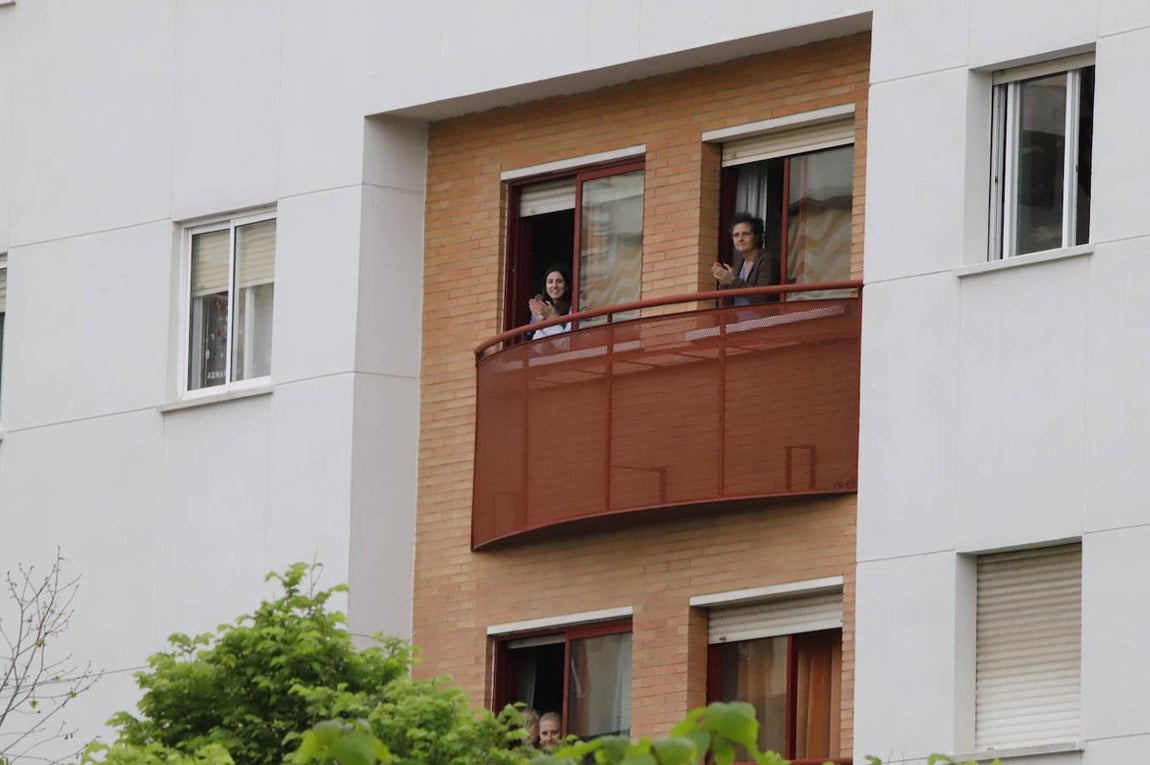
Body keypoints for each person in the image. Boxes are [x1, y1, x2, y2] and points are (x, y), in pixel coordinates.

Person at [709, 212, 778, 305]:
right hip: (740, 315)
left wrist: (732, 280)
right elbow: (727, 306)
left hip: (763, 315)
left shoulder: (767, 259)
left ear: (757, 237)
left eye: (745, 234)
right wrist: (724, 283)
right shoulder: (739, 265)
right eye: (736, 235)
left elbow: (762, 297)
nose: (740, 239)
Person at [528, 264, 572, 340]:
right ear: (545, 287)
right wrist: (540, 320)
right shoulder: (543, 308)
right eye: (550, 282)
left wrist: (551, 318)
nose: (554, 286)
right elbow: (536, 343)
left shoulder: (574, 307)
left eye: (559, 281)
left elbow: (566, 342)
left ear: (566, 286)